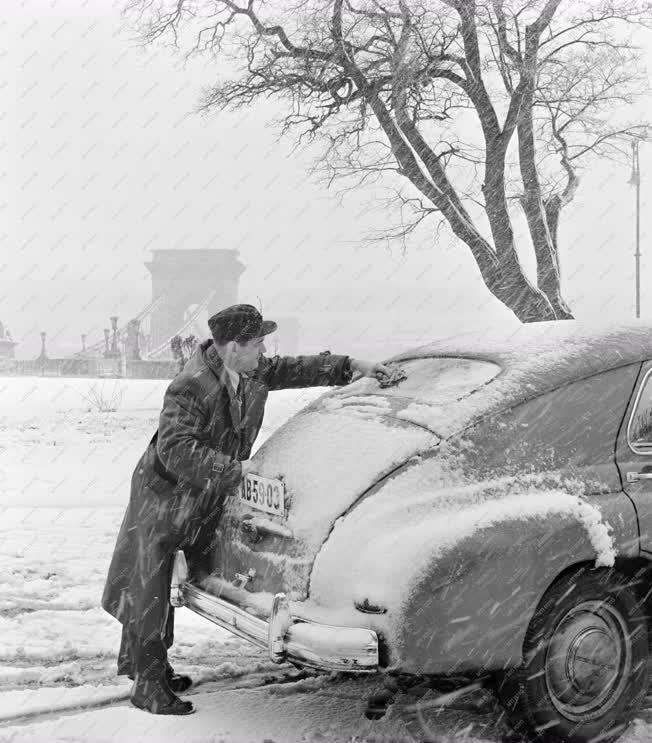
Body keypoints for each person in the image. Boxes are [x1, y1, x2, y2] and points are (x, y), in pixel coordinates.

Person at [101, 304, 391, 715]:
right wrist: (232, 470)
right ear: (234, 347)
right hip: (164, 496)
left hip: (199, 494)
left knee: (154, 583)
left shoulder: (247, 369)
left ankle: (148, 668)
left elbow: (292, 369)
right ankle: (147, 686)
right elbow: (175, 449)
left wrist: (348, 366)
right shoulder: (190, 385)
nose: (264, 351)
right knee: (147, 587)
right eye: (258, 344)